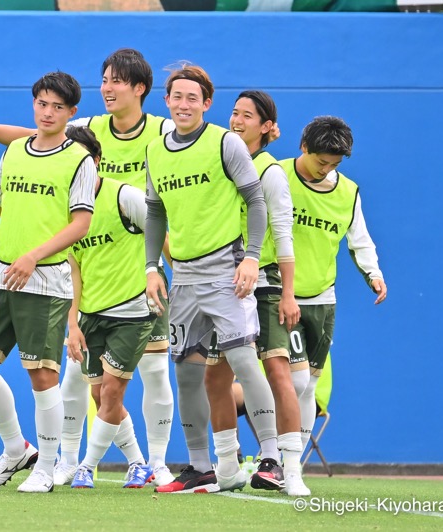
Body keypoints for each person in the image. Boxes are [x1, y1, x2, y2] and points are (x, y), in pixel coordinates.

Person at [0, 48, 176, 487]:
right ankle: (67, 460)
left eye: (116, 80)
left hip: (136, 270)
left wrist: (159, 264)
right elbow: (33, 136)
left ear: (139, 88)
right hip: (84, 267)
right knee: (82, 381)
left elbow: (164, 210)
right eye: (103, 78)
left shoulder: (162, 134)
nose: (107, 86)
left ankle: (155, 462)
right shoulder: (83, 131)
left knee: (155, 371)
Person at [144, 64, 277, 494]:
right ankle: (202, 466)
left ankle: (271, 458)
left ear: (206, 103)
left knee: (242, 361)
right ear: (166, 102)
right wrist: (152, 267)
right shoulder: (156, 150)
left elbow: (255, 202)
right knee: (185, 372)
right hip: (181, 277)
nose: (183, 105)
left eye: (192, 98)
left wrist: (252, 258)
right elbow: (155, 211)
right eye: (176, 97)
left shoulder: (225, 142)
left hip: (226, 270)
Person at [0, 71, 97, 493]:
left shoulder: (79, 158)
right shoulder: (14, 151)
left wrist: (33, 256)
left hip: (46, 281)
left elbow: (81, 224)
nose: (48, 112)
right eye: (42, 104)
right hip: (3, 276)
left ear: (72, 113)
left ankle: (47, 467)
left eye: (57, 107)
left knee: (42, 375)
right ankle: (16, 449)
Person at [279, 115, 386, 465]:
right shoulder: (276, 176)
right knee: (293, 383)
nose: (326, 169)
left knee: (309, 385)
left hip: (322, 298)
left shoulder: (347, 192)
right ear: (303, 147)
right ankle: (274, 457)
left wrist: (374, 274)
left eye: (334, 164)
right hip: (278, 293)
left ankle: (291, 465)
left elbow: (359, 240)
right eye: (321, 161)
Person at [63, 125, 157, 489]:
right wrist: (73, 324)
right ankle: (138, 462)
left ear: (97, 161)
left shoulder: (125, 197)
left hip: (132, 311)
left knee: (114, 391)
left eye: (83, 159)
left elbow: (160, 231)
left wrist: (157, 273)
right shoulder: (65, 210)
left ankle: (85, 466)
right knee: (100, 394)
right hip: (90, 315)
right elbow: (71, 273)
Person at [229, 91, 310, 496]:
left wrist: (289, 293)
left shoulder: (270, 171)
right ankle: (231, 462)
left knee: (280, 372)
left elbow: (283, 235)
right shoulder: (218, 160)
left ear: (266, 126)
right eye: (234, 112)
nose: (237, 120)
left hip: (266, 283)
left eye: (248, 116)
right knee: (218, 375)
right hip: (224, 284)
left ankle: (288, 467)